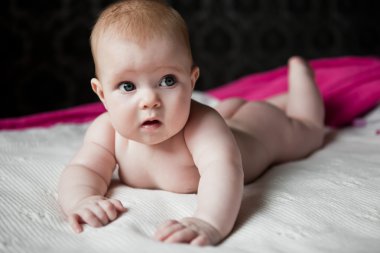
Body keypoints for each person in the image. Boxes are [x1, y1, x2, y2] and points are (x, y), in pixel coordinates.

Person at [58, 0, 326, 246]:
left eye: (168, 81)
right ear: (102, 94)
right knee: (229, 113)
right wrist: (82, 199)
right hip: (226, 117)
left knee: (309, 131)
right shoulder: (107, 131)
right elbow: (84, 169)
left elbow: (223, 171)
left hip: (258, 132)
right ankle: (256, 102)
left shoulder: (204, 124)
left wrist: (209, 221)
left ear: (192, 80)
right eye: (127, 86)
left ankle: (302, 78)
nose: (150, 100)